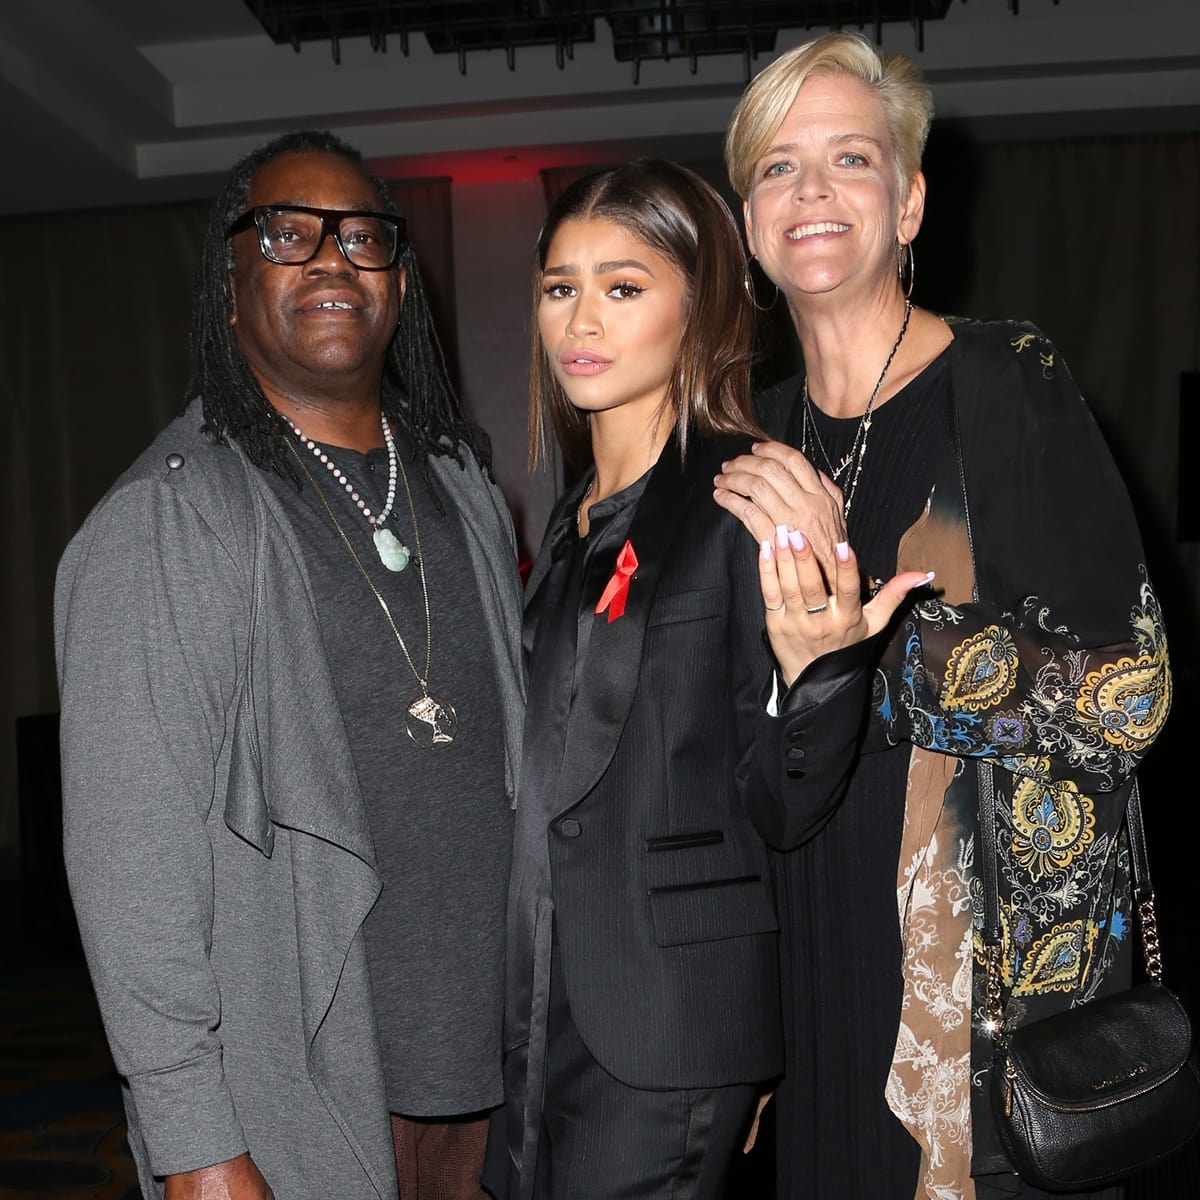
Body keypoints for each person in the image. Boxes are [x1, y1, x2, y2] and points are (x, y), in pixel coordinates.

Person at [715, 32, 1173, 1200]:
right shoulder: (750, 446)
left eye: (851, 159)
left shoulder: (1005, 379)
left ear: (910, 202)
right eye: (777, 166)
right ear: (749, 220)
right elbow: (749, 776)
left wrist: (874, 644)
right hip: (817, 964)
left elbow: (1132, 692)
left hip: (986, 986)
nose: (811, 191)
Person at [56, 131, 524, 1200]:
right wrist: (192, 1139)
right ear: (231, 290)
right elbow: (131, 868)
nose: (330, 259)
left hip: (497, 1083)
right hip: (306, 1096)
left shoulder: (464, 490)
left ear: (400, 287)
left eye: (362, 238)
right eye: (288, 233)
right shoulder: (169, 524)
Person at [487, 157, 931, 1200]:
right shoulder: (570, 519)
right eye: (561, 287)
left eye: (623, 287)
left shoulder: (750, 492)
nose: (580, 320)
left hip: (666, 1020)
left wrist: (822, 675)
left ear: (702, 308)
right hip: (540, 999)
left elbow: (781, 804)